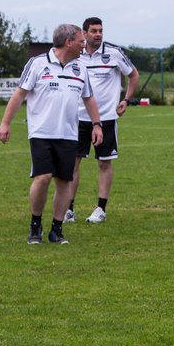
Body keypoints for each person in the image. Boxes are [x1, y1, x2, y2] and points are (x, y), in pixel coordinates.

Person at [0, 23, 103, 245]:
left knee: (64, 181)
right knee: (43, 177)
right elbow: (19, 95)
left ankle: (57, 228)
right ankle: (35, 224)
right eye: (80, 41)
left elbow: (89, 98)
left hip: (68, 134)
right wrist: (5, 123)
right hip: (41, 133)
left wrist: (96, 124)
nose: (84, 44)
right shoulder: (37, 64)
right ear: (68, 42)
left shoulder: (80, 68)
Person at [66, 16, 139, 224]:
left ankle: (100, 209)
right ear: (85, 33)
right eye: (94, 31)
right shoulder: (75, 55)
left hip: (106, 118)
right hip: (78, 117)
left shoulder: (114, 53)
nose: (98, 34)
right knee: (73, 163)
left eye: (100, 30)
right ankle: (68, 209)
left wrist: (126, 99)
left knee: (104, 163)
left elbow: (134, 74)